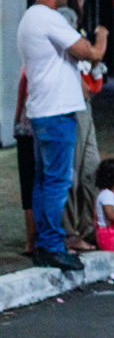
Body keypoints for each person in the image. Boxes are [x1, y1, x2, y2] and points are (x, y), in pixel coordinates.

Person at [17, 0, 108, 271]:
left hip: (41, 110)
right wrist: (103, 36)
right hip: (57, 112)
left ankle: (45, 242)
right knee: (57, 182)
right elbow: (91, 53)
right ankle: (53, 245)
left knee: (43, 182)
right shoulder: (50, 19)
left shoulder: (29, 18)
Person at [59, 0, 104, 253]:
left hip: (82, 104)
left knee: (91, 168)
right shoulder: (64, 17)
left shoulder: (71, 18)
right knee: (71, 172)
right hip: (70, 104)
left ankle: (89, 228)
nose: (84, 0)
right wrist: (103, 37)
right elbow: (89, 55)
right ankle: (70, 231)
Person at [14, 68, 36, 255]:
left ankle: (32, 240)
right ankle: (34, 239)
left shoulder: (28, 66)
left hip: (26, 127)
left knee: (29, 183)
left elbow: (21, 95)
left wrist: (17, 121)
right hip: (39, 128)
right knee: (40, 183)